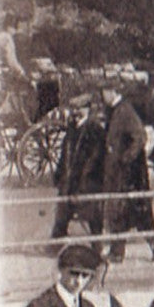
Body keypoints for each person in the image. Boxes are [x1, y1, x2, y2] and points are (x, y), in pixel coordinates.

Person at [100, 86, 154, 264]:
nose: (102, 95)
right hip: (120, 173)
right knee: (119, 212)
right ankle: (117, 252)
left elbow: (140, 137)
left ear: (113, 91)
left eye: (104, 91)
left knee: (139, 213)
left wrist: (124, 158)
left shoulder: (125, 110)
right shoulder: (114, 110)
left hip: (131, 174)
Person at [50, 95, 107, 241]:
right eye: (73, 109)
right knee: (62, 216)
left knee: (93, 218)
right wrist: (59, 174)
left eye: (78, 109)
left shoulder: (95, 130)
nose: (75, 113)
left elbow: (95, 159)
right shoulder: (71, 130)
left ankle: (97, 247)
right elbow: (64, 155)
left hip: (87, 182)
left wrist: (84, 180)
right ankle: (56, 244)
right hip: (70, 181)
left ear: (87, 110)